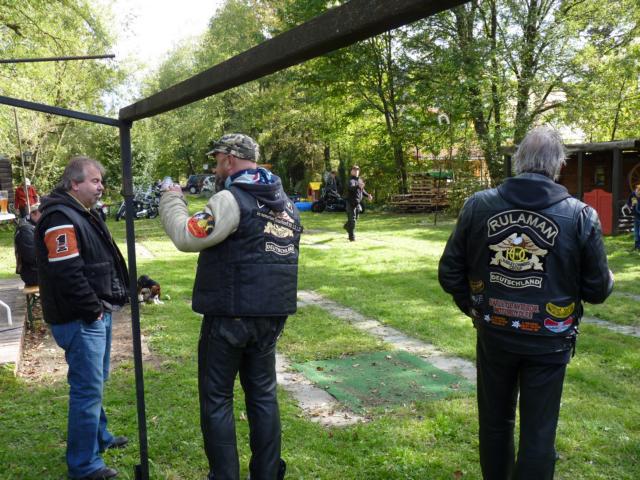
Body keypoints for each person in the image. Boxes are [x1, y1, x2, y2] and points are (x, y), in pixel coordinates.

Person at [438, 126, 613, 480]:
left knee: (494, 424)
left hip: (496, 335)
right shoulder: (580, 215)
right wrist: (609, 278)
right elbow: (597, 290)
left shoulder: (478, 205)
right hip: (549, 340)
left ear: (519, 161)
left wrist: (474, 308)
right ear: (558, 165)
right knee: (539, 434)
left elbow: (449, 273)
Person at [159, 134, 301, 480]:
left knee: (217, 399)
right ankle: (267, 474)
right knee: (263, 396)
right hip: (271, 315)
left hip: (230, 316)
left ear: (229, 159)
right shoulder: (286, 203)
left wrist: (172, 198)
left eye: (216, 160)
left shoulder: (231, 199)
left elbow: (187, 234)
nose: (214, 167)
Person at [34, 156, 129, 480]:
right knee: (87, 390)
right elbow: (67, 273)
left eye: (101, 180)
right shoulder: (60, 217)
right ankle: (85, 465)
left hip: (93, 314)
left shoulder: (82, 213)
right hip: (80, 318)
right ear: (74, 183)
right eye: (94, 181)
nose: (100, 186)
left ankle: (99, 438)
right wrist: (93, 310)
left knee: (95, 384)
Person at [14, 203, 42, 286]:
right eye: (42, 214)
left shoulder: (33, 225)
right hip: (33, 274)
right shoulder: (25, 230)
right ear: (33, 214)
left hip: (35, 271)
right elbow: (32, 257)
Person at [344, 165, 372, 242]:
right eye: (354, 170)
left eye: (357, 170)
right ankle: (352, 238)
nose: (356, 171)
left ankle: (346, 226)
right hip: (350, 203)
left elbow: (362, 190)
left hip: (357, 203)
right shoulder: (351, 180)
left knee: (355, 219)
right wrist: (358, 186)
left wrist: (368, 195)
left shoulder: (359, 180)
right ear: (351, 171)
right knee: (352, 221)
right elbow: (351, 188)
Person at [626, 182, 640, 250]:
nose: (637, 193)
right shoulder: (633, 194)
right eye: (637, 191)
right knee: (636, 232)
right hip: (636, 216)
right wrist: (630, 206)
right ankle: (636, 245)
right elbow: (628, 202)